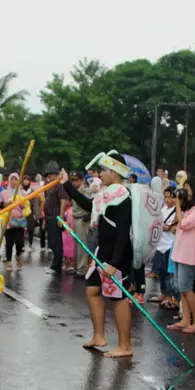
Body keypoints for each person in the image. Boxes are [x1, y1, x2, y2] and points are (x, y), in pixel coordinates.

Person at [60, 152, 134, 358]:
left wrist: (116, 262)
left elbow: (122, 231)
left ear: (115, 172)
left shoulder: (122, 196)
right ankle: (99, 335)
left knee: (118, 298)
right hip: (102, 252)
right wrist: (67, 185)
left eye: (104, 170)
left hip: (116, 255)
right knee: (92, 289)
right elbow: (88, 204)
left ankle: (125, 345)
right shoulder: (106, 194)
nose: (101, 174)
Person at [167, 176, 195, 335]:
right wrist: (180, 204)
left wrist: (178, 204)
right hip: (179, 252)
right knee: (180, 287)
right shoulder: (189, 208)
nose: (185, 191)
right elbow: (176, 221)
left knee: (186, 287)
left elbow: (184, 224)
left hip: (189, 254)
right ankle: (185, 320)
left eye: (188, 188)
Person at [43, 161, 67, 275]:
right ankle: (55, 264)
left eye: (50, 174)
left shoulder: (60, 184)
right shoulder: (49, 185)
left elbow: (63, 200)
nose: (49, 177)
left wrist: (61, 218)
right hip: (49, 217)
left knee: (57, 242)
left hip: (56, 216)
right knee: (52, 242)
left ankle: (57, 267)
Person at [0, 173, 29, 272]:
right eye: (12, 179)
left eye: (15, 179)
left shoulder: (21, 193)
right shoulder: (4, 192)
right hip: (8, 221)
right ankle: (9, 261)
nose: (13, 181)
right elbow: (2, 205)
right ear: (9, 180)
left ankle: (17, 255)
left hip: (20, 221)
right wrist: (9, 203)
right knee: (9, 243)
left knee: (20, 243)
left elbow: (25, 205)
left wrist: (24, 207)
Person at [69, 170, 91, 278]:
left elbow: (88, 204)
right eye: (72, 180)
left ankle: (82, 270)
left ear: (82, 180)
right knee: (77, 246)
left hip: (82, 219)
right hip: (76, 217)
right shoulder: (76, 190)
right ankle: (77, 267)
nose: (74, 182)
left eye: (76, 180)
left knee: (82, 245)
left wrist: (88, 214)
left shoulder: (84, 190)